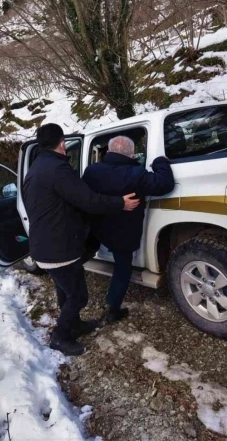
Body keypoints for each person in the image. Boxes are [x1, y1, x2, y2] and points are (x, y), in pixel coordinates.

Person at [22, 124, 140, 356]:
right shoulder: (57, 169)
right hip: (58, 247)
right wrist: (120, 203)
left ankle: (74, 324)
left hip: (44, 244)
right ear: (62, 142)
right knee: (78, 296)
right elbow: (88, 200)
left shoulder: (36, 168)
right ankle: (60, 336)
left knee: (64, 289)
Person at [83, 136, 175, 323]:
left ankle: (74, 291)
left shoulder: (91, 171)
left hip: (97, 226)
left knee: (84, 253)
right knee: (122, 268)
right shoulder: (137, 173)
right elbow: (165, 184)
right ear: (132, 154)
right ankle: (112, 308)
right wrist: (160, 162)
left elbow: (85, 196)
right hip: (123, 232)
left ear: (107, 152)